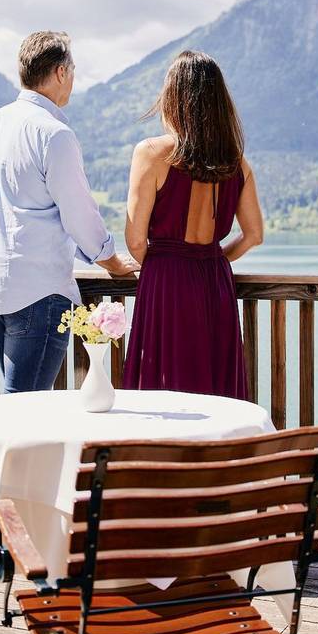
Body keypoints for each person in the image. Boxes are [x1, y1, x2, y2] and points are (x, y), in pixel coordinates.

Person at [0, 31, 137, 393]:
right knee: (26, 407)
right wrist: (112, 262)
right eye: (73, 71)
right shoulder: (54, 134)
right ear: (60, 72)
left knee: (16, 400)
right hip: (39, 291)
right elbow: (79, 214)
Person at [121, 50, 263, 399]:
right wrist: (213, 262)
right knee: (215, 389)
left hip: (166, 281)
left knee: (163, 391)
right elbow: (255, 235)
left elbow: (135, 240)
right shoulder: (237, 163)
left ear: (173, 98)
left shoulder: (152, 153)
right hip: (214, 282)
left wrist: (165, 267)